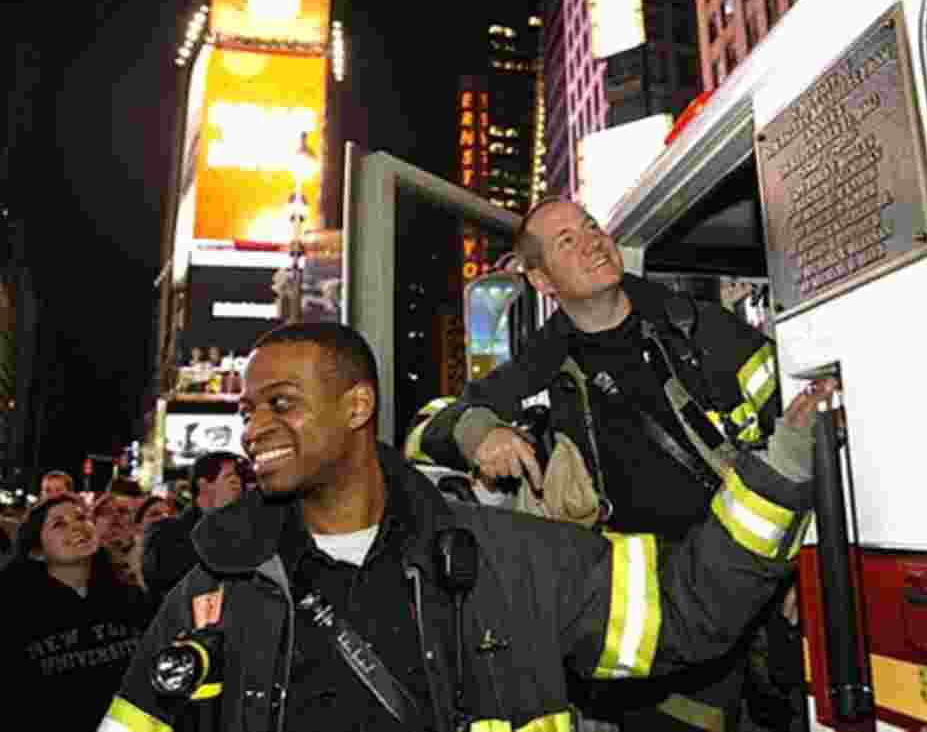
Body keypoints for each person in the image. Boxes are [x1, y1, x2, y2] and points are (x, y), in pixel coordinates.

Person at [99, 322, 826, 732]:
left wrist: (784, 466)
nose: (253, 428)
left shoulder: (510, 560)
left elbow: (686, 609)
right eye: (247, 410)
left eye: (280, 403)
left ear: (358, 406)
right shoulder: (213, 594)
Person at [421, 197, 816, 730]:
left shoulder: (698, 327)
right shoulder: (541, 365)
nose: (590, 240)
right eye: (566, 241)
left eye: (590, 227)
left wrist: (804, 563)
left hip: (762, 586)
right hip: (659, 632)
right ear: (541, 281)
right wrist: (479, 432)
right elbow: (434, 426)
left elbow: (800, 425)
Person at [1, 494, 154, 731]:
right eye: (59, 524)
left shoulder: (131, 598)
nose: (77, 527)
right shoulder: (14, 611)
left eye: (82, 517)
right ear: (37, 550)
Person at [141, 450, 245, 604]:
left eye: (240, 480)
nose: (238, 486)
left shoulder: (242, 532)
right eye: (230, 479)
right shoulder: (165, 531)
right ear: (203, 485)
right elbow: (166, 579)